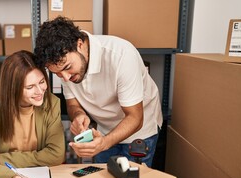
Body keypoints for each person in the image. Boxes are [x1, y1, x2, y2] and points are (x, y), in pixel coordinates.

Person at [34, 16, 162, 167]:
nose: (66, 78)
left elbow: (135, 118)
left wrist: (104, 143)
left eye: (68, 68)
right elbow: (72, 104)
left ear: (79, 44)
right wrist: (79, 115)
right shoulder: (64, 66)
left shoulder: (122, 56)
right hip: (103, 131)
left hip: (140, 132)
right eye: (58, 74)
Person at [0, 50, 65, 178]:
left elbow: (56, 155)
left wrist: (1, 158)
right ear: (13, 89)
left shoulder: (52, 103)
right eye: (30, 87)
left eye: (41, 82)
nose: (40, 91)